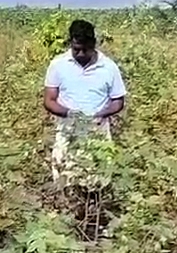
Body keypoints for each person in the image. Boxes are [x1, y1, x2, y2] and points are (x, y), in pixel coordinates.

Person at [43, 19, 127, 182]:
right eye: (76, 50)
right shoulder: (58, 65)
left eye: (85, 50)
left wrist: (100, 114)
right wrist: (70, 114)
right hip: (67, 130)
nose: (81, 54)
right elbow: (49, 100)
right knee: (64, 179)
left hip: (98, 132)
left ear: (94, 44)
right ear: (70, 44)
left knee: (98, 180)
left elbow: (118, 101)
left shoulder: (109, 67)